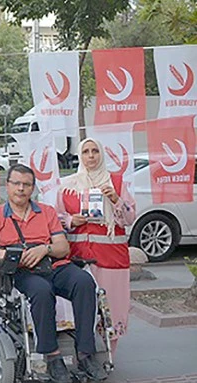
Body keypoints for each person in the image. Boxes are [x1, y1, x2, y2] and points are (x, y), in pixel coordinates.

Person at [0, 164, 108, 383]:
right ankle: (52, 355)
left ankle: (85, 354)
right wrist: (11, 255)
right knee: (41, 290)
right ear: (7, 186)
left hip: (53, 264)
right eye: (16, 183)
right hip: (22, 272)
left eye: (26, 185)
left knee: (84, 281)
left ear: (33, 188)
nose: (21, 189)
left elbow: (62, 247)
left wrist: (43, 249)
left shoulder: (46, 212)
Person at [57, 138, 136, 355]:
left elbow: (129, 218)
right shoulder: (68, 186)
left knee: (112, 307)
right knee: (81, 307)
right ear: (80, 156)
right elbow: (56, 218)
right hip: (78, 257)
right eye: (86, 152)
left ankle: (109, 355)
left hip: (111, 258)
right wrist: (72, 220)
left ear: (101, 154)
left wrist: (116, 200)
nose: (91, 156)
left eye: (95, 151)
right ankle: (82, 352)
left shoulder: (117, 182)